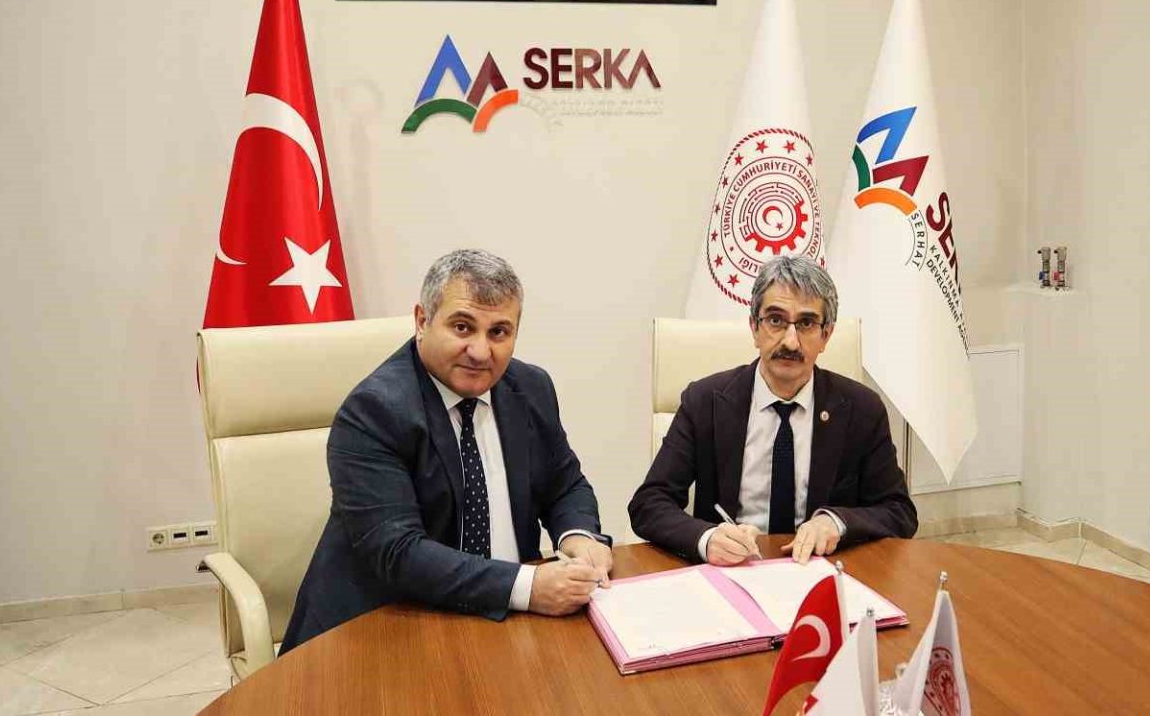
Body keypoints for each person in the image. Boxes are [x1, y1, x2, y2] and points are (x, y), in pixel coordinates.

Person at [281, 249, 612, 654]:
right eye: (462, 327)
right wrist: (528, 586)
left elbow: (565, 485)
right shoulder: (373, 411)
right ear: (422, 321)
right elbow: (398, 552)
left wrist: (579, 536)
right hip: (388, 628)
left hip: (508, 625)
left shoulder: (531, 388)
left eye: (499, 332)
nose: (480, 351)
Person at [628, 256, 917, 566]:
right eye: (776, 320)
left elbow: (899, 511)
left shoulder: (862, 409)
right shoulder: (705, 401)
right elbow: (649, 503)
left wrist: (837, 522)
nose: (790, 342)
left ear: (826, 335)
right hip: (733, 569)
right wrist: (707, 538)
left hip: (819, 572)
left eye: (806, 323)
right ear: (755, 327)